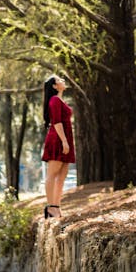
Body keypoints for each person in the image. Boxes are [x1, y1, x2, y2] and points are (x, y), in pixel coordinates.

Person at [41, 75, 75, 219]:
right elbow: (57, 122)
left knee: (61, 176)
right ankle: (51, 207)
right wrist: (64, 141)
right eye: (60, 80)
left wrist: (67, 141)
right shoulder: (54, 100)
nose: (63, 81)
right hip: (58, 139)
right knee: (52, 175)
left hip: (64, 138)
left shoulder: (60, 100)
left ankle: (57, 206)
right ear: (54, 86)